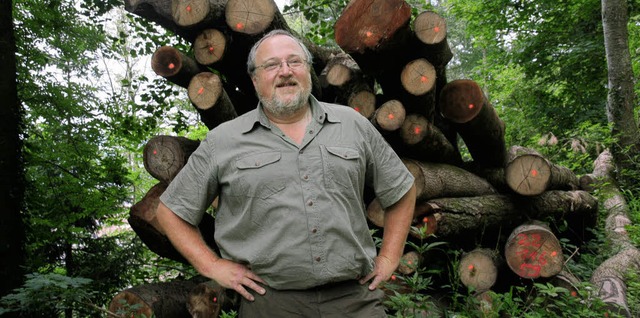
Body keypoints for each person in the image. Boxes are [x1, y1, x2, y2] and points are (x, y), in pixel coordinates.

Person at [156, 29, 416, 317]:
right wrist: (211, 265)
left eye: (295, 62)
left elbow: (401, 189)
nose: (285, 72)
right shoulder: (224, 141)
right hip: (269, 303)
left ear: (308, 71)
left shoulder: (352, 125)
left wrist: (390, 257)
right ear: (255, 80)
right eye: (271, 65)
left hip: (355, 301)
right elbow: (172, 211)